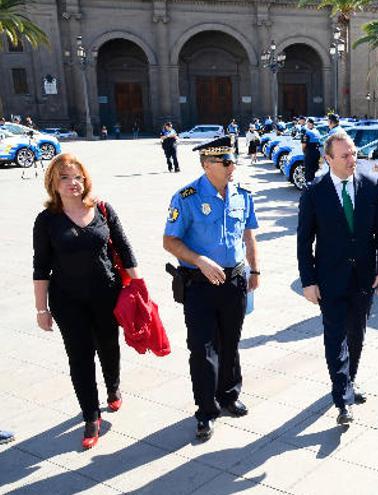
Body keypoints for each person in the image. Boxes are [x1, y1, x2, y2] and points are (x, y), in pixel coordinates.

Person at [33, 153, 140, 449]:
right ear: (53, 183)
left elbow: (125, 249)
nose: (72, 183)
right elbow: (40, 267)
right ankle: (91, 416)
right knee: (79, 357)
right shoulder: (46, 221)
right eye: (64, 178)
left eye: (77, 177)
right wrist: (42, 309)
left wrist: (139, 288)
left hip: (107, 294)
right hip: (68, 301)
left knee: (109, 346)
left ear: (85, 180)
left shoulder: (103, 209)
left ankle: (113, 388)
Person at [162, 136, 260, 440]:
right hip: (200, 285)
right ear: (207, 165)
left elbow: (248, 235)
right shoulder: (186, 197)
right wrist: (199, 260)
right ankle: (206, 410)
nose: (233, 166)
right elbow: (170, 241)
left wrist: (254, 270)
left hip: (234, 282)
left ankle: (229, 395)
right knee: (203, 349)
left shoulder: (242, 194)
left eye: (233, 161)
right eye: (226, 162)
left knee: (230, 343)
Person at [296, 132, 378, 425]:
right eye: (345, 155)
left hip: (364, 278)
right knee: (335, 336)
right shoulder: (314, 192)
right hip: (329, 279)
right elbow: (304, 241)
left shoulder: (371, 186)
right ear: (328, 159)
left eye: (354, 153)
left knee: (357, 334)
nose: (353, 160)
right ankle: (342, 398)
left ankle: (348, 381)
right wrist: (308, 281)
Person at [301, 118, 323, 183]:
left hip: (309, 152)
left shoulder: (307, 132)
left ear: (309, 123)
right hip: (317, 152)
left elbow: (303, 144)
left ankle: (308, 185)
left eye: (307, 123)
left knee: (308, 169)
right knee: (315, 168)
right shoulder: (317, 132)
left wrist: (304, 152)